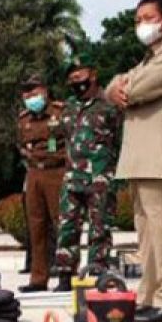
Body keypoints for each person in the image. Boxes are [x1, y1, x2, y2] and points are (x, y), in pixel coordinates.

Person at [105, 0, 162, 322]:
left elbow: (134, 88)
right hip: (142, 156)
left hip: (161, 156)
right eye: (138, 20)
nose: (141, 25)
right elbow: (115, 86)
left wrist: (120, 87)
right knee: (146, 232)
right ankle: (149, 295)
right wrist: (113, 88)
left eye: (148, 17)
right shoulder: (149, 59)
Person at [54, 55, 121, 290]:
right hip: (72, 178)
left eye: (79, 76)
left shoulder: (110, 106)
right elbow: (63, 139)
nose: (76, 81)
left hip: (100, 178)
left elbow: (120, 140)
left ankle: (96, 272)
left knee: (99, 227)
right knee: (67, 227)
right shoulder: (68, 107)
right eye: (71, 78)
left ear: (92, 75)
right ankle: (65, 274)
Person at [17, 75, 66, 292]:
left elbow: (71, 139)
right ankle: (38, 278)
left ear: (45, 92)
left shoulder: (60, 113)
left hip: (57, 171)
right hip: (34, 173)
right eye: (27, 94)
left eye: (34, 92)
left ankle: (66, 273)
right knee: (36, 227)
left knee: (62, 224)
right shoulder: (24, 119)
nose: (31, 97)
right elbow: (21, 145)